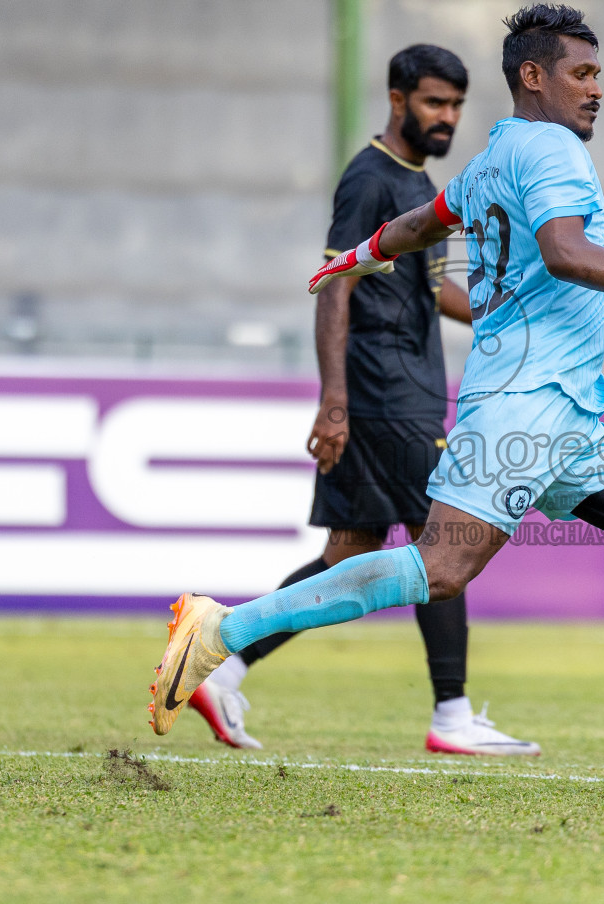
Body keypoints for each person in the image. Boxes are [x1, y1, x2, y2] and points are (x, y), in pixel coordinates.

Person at [147, 4, 604, 798]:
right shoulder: (553, 153)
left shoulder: (493, 158)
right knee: (438, 571)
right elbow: (565, 250)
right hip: (525, 403)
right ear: (533, 76)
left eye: (598, 74)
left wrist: (358, 258)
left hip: (567, 413)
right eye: (582, 73)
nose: (596, 89)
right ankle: (225, 630)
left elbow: (419, 223)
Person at [187, 44, 539, 756]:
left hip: (398, 389)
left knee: (349, 551)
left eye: (457, 105)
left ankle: (224, 664)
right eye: (435, 102)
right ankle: (453, 715)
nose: (447, 117)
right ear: (397, 96)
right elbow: (335, 282)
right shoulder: (370, 178)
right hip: (385, 390)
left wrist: (507, 308)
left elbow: (425, 287)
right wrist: (335, 402)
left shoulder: (416, 180)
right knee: (449, 541)